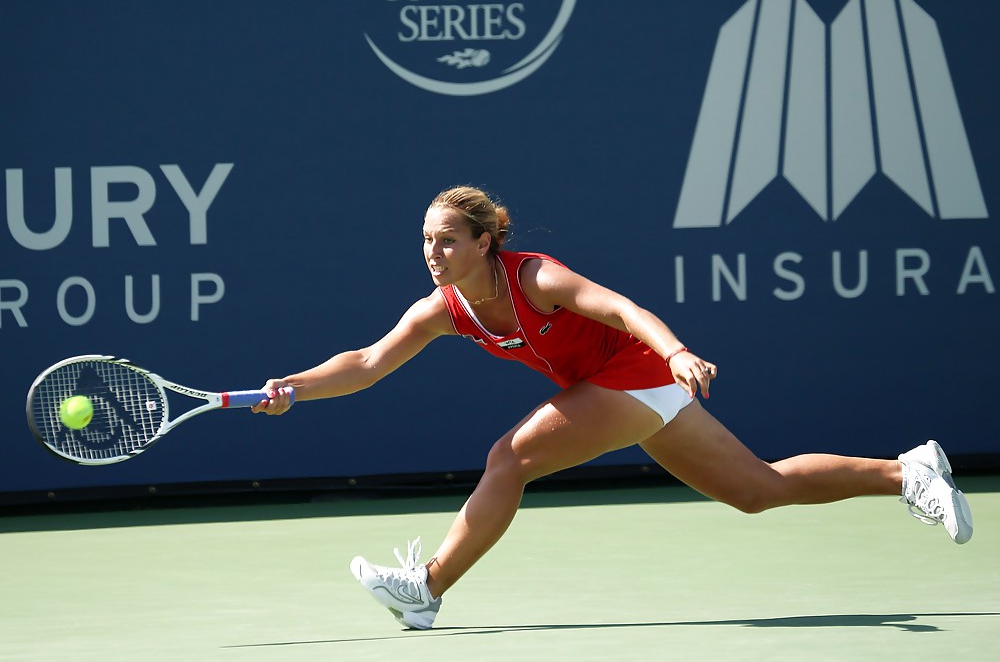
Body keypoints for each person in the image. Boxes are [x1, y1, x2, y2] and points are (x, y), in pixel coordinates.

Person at [252, 185, 974, 630]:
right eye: (425, 240)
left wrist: (678, 350)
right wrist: (296, 384)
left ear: (484, 239)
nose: (433, 251)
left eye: (447, 239)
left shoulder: (537, 277)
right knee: (760, 489)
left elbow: (623, 308)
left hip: (639, 374)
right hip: (634, 391)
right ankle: (907, 473)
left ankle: (427, 585)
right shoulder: (443, 309)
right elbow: (369, 363)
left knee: (510, 457)